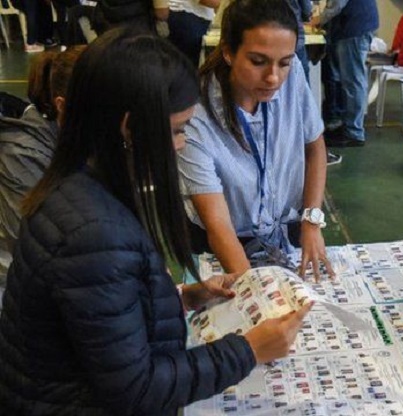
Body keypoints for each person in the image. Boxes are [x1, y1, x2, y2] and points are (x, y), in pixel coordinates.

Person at [0, 28, 311, 415]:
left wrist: (181, 297)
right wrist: (248, 349)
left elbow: (95, 313)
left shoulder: (81, 186)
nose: (181, 144)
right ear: (130, 127)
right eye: (178, 130)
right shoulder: (93, 233)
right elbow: (137, 388)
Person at [178, 0, 334, 278]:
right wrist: (256, 291)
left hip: (282, 231)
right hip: (222, 244)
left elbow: (315, 146)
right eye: (258, 62)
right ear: (227, 52)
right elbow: (218, 226)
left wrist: (311, 222)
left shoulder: (293, 71)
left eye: (283, 63)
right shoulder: (195, 115)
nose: (273, 77)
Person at [0, 46, 85, 304]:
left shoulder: (75, 139)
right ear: (63, 106)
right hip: (17, 288)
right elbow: (31, 249)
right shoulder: (22, 155)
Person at [313, 0, 378, 147]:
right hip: (355, 27)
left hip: (354, 28)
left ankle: (354, 132)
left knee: (353, 82)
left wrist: (318, 19)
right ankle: (349, 126)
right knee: (351, 81)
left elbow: (337, 4)